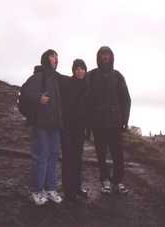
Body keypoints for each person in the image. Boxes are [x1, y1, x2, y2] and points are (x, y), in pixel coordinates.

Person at [87, 46, 131, 194]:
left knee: (118, 154)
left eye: (107, 54)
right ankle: (105, 180)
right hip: (98, 123)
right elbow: (85, 97)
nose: (105, 57)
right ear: (98, 57)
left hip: (115, 123)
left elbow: (126, 99)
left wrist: (125, 119)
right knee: (101, 153)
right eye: (102, 55)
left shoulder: (118, 76)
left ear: (111, 57)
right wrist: (88, 121)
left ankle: (118, 181)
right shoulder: (91, 75)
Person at [24, 49, 63, 206]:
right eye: (53, 56)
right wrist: (38, 97)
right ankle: (36, 190)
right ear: (46, 58)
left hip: (55, 125)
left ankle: (50, 188)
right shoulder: (38, 76)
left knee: (53, 156)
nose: (56, 59)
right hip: (41, 124)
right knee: (41, 156)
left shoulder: (55, 78)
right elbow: (25, 92)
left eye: (57, 57)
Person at [60, 59, 89, 201]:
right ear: (73, 70)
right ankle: (68, 189)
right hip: (67, 127)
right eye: (77, 69)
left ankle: (77, 187)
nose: (80, 71)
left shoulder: (88, 86)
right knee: (68, 158)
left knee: (78, 158)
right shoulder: (67, 83)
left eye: (82, 68)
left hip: (80, 127)